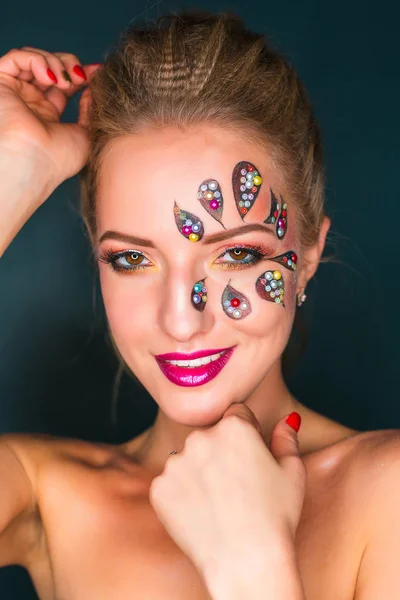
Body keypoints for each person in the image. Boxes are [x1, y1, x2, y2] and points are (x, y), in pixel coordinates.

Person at [0, 10, 399, 600]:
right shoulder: (46, 495)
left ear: (308, 255)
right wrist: (12, 175)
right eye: (132, 260)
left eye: (237, 254)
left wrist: (253, 567)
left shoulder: (388, 495)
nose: (182, 320)